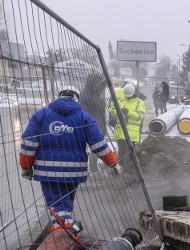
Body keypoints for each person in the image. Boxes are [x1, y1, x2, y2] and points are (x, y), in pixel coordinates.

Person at [19, 86, 122, 231]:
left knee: (57, 205)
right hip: (74, 172)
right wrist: (113, 163)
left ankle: (63, 234)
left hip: (48, 172)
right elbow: (98, 144)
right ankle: (67, 230)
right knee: (65, 204)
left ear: (59, 96)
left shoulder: (41, 115)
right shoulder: (84, 117)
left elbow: (28, 144)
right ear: (77, 98)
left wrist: (26, 167)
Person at [108, 82, 146, 166]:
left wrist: (128, 112)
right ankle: (121, 169)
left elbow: (140, 116)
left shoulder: (139, 103)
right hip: (120, 132)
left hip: (131, 134)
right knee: (121, 152)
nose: (127, 97)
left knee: (131, 153)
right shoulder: (122, 101)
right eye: (126, 96)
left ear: (134, 94)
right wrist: (118, 111)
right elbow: (112, 111)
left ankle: (131, 169)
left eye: (129, 96)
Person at [81, 73, 108, 172]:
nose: (101, 87)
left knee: (96, 148)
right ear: (92, 84)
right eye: (99, 84)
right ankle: (92, 170)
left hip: (98, 125)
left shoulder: (97, 95)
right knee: (95, 148)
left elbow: (100, 111)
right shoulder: (86, 95)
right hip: (91, 126)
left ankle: (93, 169)